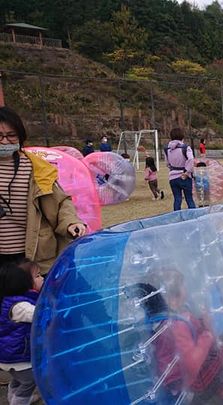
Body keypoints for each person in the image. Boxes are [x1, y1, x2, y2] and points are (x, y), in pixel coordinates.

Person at [129, 270, 223, 404]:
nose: (187, 290)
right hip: (189, 383)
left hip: (178, 375)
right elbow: (192, 363)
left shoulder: (167, 319)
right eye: (183, 286)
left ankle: (222, 386)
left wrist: (202, 322)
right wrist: (207, 334)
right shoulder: (176, 326)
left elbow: (190, 334)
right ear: (172, 301)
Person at [0, 107, 87, 274]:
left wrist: (71, 222)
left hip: (33, 255)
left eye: (11, 135)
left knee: (36, 299)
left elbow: (61, 201)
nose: (4, 141)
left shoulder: (37, 168)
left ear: (20, 135)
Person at [0, 261, 43, 405]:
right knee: (30, 380)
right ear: (24, 283)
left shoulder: (11, 300)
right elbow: (41, 315)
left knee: (18, 379)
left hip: (10, 355)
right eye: (37, 276)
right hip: (19, 356)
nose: (42, 278)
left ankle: (13, 397)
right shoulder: (21, 306)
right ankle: (19, 401)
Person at [164, 128, 196, 210]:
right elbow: (191, 159)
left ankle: (176, 217)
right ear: (182, 136)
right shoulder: (186, 148)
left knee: (177, 199)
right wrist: (186, 171)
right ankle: (193, 217)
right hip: (184, 176)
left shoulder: (167, 149)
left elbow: (167, 163)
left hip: (172, 177)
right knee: (189, 199)